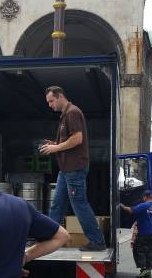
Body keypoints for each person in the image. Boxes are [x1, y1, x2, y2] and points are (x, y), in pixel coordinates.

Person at [40, 86, 106, 252]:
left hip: (74, 168)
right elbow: (69, 141)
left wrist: (56, 149)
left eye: (51, 101)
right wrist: (55, 145)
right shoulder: (65, 115)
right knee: (57, 205)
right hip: (66, 169)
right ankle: (48, 237)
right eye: (48, 102)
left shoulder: (72, 113)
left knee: (79, 205)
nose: (49, 105)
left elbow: (77, 139)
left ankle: (97, 241)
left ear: (60, 96)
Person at [120, 190, 152, 278]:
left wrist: (122, 206)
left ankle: (144, 269)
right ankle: (148, 271)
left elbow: (131, 210)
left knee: (139, 251)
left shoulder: (143, 206)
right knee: (151, 251)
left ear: (144, 197)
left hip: (144, 233)